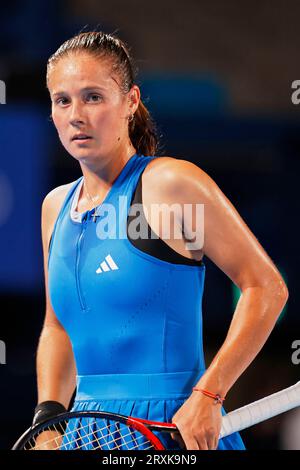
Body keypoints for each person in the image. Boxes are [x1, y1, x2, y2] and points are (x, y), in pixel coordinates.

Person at [33, 30, 288, 451]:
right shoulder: (54, 207)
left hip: (175, 429)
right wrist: (48, 416)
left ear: (130, 101)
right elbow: (57, 327)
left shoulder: (171, 183)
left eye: (93, 97)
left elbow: (266, 287)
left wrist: (209, 394)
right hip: (86, 432)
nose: (76, 114)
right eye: (63, 100)